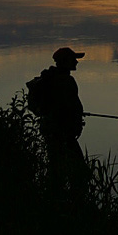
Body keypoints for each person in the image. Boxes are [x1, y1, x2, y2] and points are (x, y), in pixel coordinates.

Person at [32, 47, 88, 197]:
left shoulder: (50, 78)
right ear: (64, 62)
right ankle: (74, 201)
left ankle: (57, 195)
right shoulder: (65, 80)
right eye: (73, 59)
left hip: (52, 130)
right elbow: (69, 105)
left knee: (56, 166)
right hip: (63, 132)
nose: (76, 61)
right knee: (78, 169)